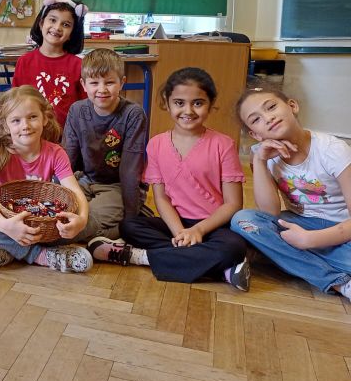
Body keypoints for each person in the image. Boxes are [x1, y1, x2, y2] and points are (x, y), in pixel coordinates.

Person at [118, 68, 251, 290]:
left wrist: (198, 231)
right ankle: (220, 269)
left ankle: (139, 257)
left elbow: (233, 204)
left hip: (214, 226)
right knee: (129, 226)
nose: (188, 110)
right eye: (179, 103)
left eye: (198, 103)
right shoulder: (156, 144)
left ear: (210, 103)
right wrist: (180, 232)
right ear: (166, 102)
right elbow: (161, 198)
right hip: (177, 223)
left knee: (233, 247)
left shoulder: (223, 144)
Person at [231, 84, 351, 301]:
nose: (268, 118)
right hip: (300, 223)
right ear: (254, 134)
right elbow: (269, 212)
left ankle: (286, 255)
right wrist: (260, 161)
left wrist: (310, 240)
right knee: (243, 220)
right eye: (256, 119)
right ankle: (340, 283)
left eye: (271, 107)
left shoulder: (332, 150)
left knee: (271, 244)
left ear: (292, 106)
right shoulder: (262, 155)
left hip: (342, 230)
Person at [0, 86, 94, 273]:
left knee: (90, 222)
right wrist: (4, 226)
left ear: (45, 118)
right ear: (6, 125)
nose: (25, 126)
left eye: (32, 117)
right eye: (16, 120)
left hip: (41, 225)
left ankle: (7, 248)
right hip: (5, 220)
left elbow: (75, 192)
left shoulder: (56, 153)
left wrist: (81, 220)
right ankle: (39, 255)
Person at [62, 49, 148, 264]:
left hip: (117, 186)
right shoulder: (77, 110)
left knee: (83, 221)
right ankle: (103, 233)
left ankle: (130, 221)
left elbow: (130, 170)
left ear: (122, 83)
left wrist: (131, 221)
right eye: (94, 83)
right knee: (63, 213)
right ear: (83, 85)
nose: (102, 89)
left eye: (109, 82)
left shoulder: (133, 114)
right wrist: (58, 195)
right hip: (85, 180)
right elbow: (67, 160)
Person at [12, 0, 87, 129]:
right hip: (32, 134)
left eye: (66, 24)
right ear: (41, 24)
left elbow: (85, 107)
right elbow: (15, 102)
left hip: (67, 135)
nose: (57, 27)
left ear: (72, 33)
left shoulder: (78, 65)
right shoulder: (24, 62)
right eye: (52, 20)